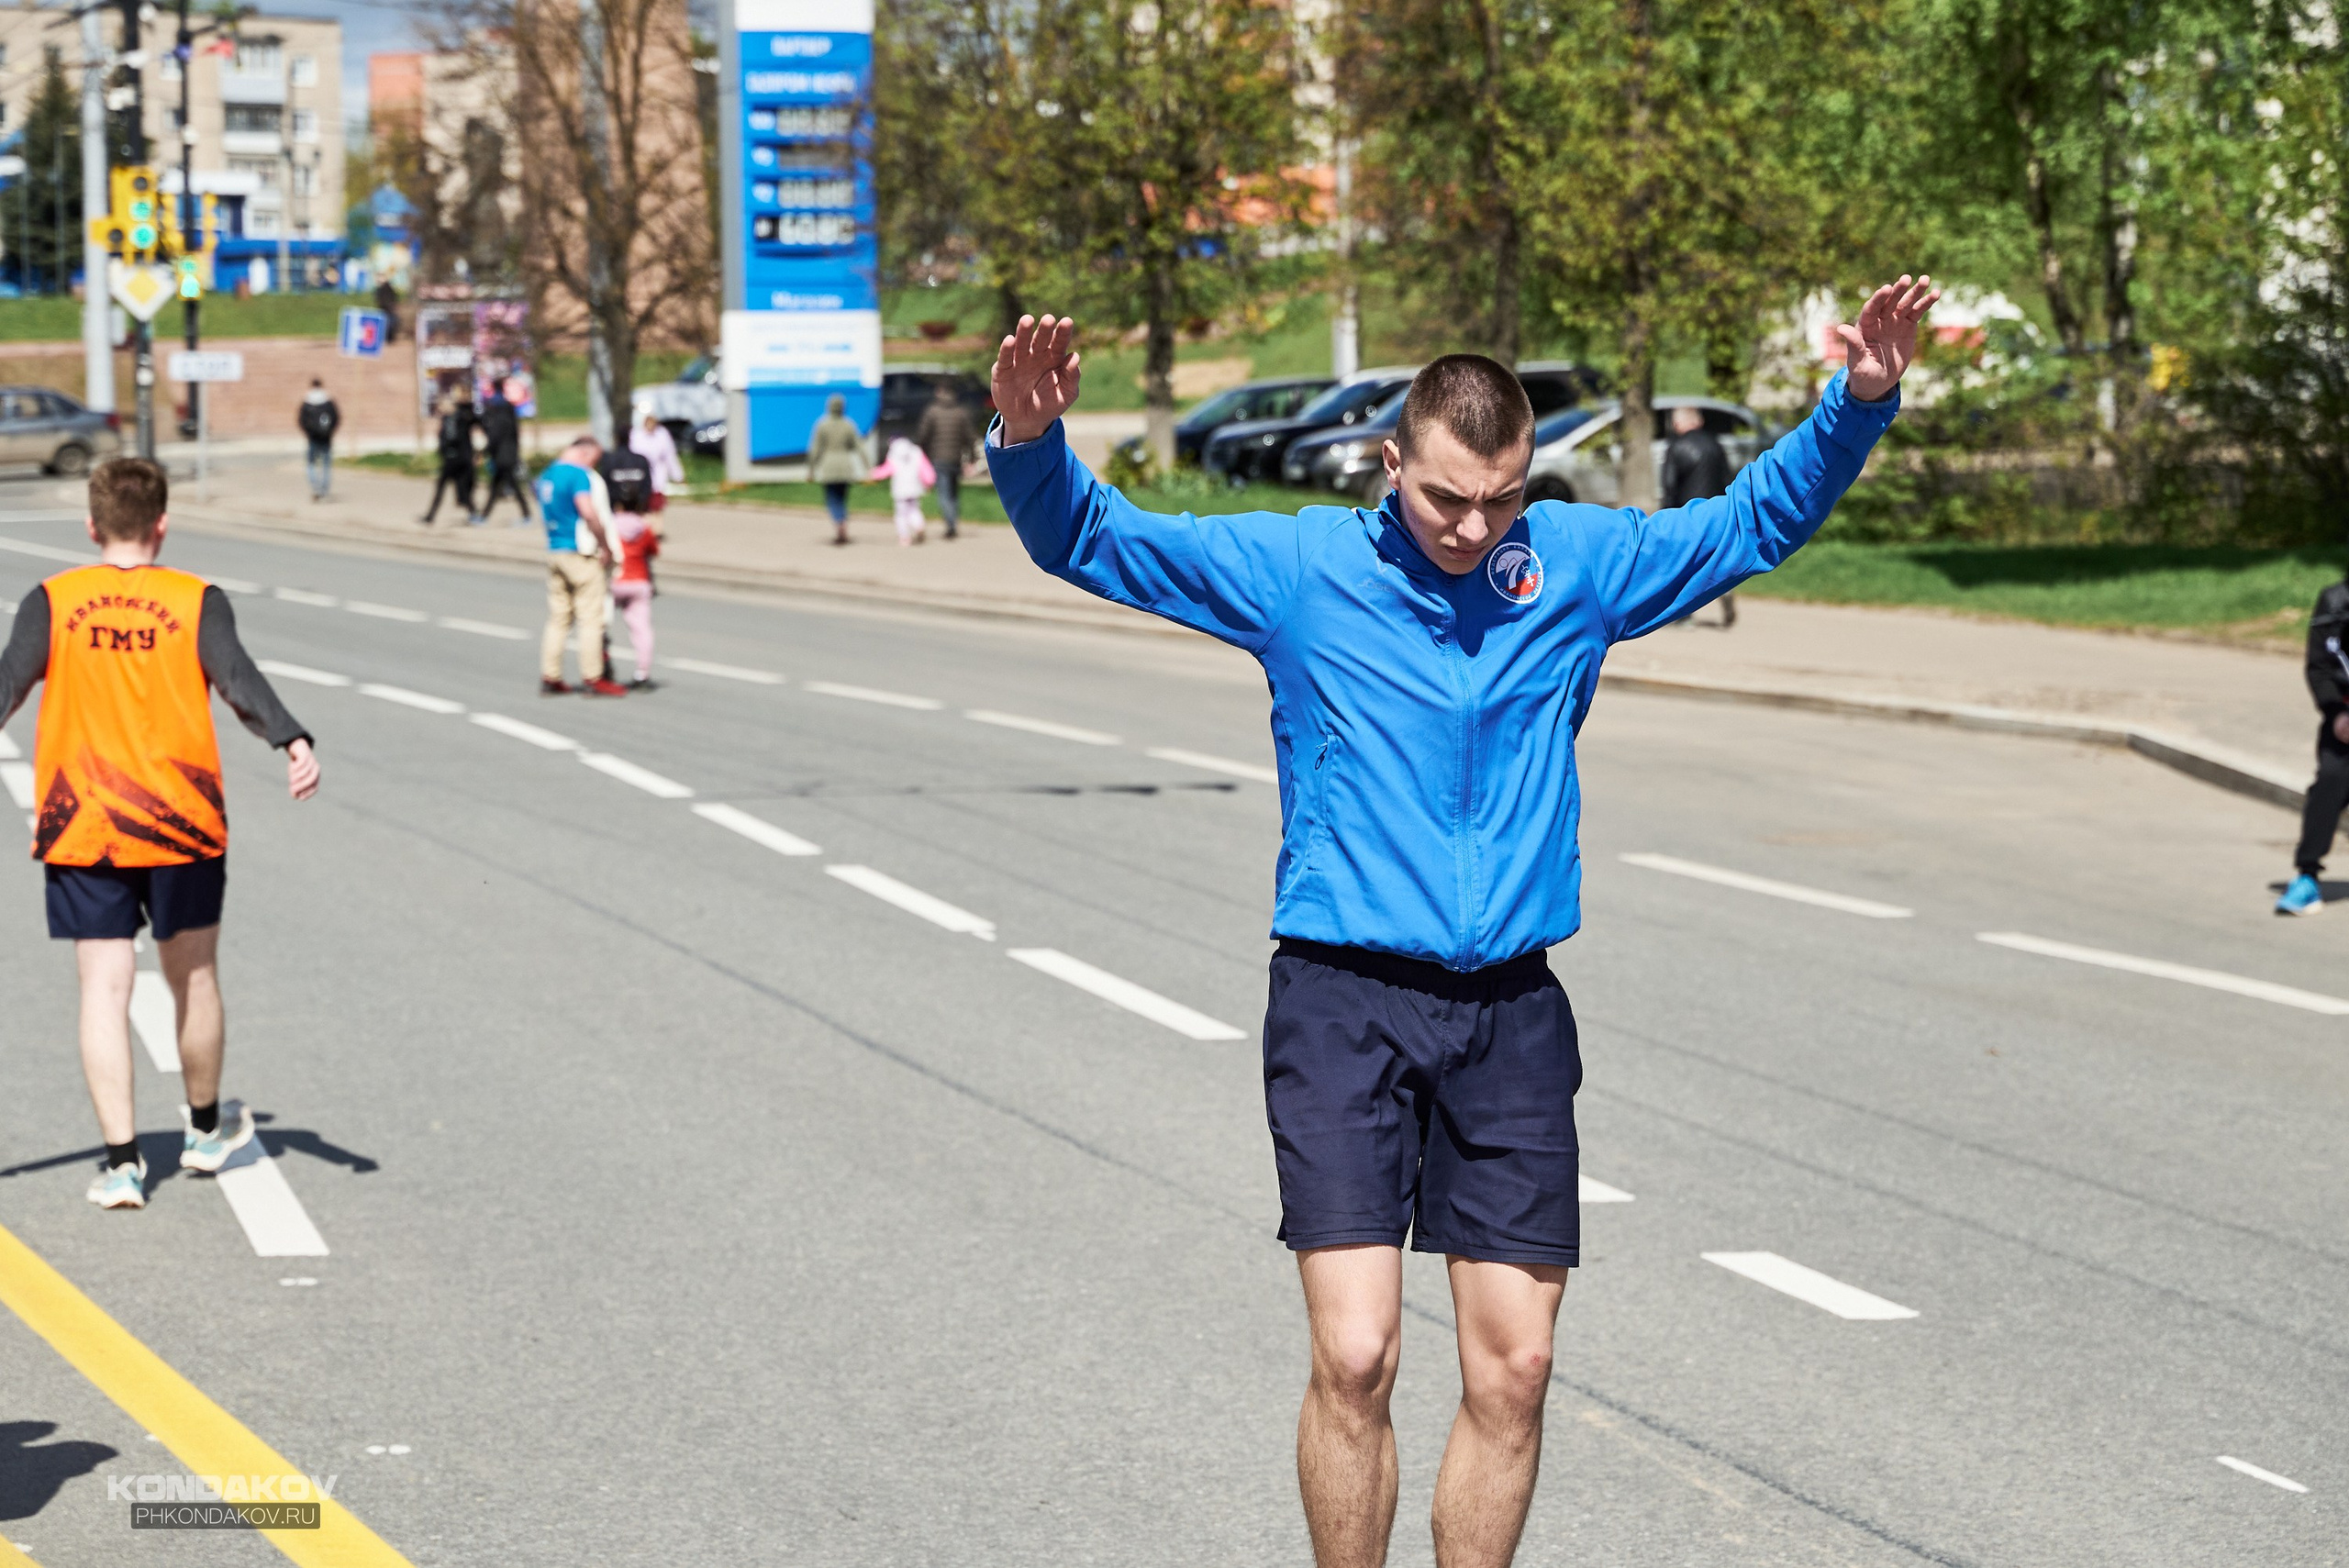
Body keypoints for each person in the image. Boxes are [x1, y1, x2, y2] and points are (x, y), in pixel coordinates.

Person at [985, 277, 1935, 1568]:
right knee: (1359, 1352)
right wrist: (1033, 447)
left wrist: (1858, 403)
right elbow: (1099, 540)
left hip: (1511, 1012)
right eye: (1445, 496)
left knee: (1518, 1368)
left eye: (1501, 497)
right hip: (1343, 1000)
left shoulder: (1577, 570)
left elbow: (1751, 523)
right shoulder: (1302, 572)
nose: (1472, 525)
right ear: (1393, 461)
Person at [0, 458, 320, 1211]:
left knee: (102, 989)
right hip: (182, 824)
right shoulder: (195, 599)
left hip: (83, 826)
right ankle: (206, 1133)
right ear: (163, 523)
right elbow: (238, 679)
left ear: (91, 525)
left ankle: (121, 1165)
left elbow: (7, 682)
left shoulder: (52, 599)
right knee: (194, 978)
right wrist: (293, 740)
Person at [2277, 573, 2349, 914]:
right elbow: (2319, 666)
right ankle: (2307, 878)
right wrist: (2336, 712)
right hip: (2345, 720)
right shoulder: (2335, 601)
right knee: (2331, 783)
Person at [535, 436, 627, 697]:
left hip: (555, 549)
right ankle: (593, 677)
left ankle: (550, 675)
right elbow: (588, 512)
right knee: (590, 618)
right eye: (594, 459)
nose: (593, 465)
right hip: (580, 552)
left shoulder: (548, 474)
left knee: (559, 618)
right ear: (585, 454)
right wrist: (605, 545)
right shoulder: (578, 476)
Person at [1659, 406, 1739, 627]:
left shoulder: (1675, 447)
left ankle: (1684, 616)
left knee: (1686, 566)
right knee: (1716, 560)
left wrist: (1667, 517)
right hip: (1716, 514)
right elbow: (1727, 480)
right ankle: (1725, 591)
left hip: (1688, 516)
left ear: (1679, 423)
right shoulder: (1716, 445)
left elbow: (1669, 485)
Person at [597, 438, 661, 688]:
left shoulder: (610, 526)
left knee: (599, 624)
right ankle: (642, 673)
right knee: (642, 630)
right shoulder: (644, 528)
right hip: (639, 582)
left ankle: (601, 665)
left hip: (614, 581)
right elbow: (653, 551)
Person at [914, 380, 981, 539]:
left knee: (944, 493)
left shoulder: (932, 412)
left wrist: (922, 453)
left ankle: (950, 524)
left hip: (938, 458)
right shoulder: (961, 413)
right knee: (954, 493)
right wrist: (972, 457)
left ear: (940, 393)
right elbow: (970, 437)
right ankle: (953, 522)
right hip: (955, 459)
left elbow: (923, 436)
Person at [807, 394, 866, 546]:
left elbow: (815, 449)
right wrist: (868, 466)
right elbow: (859, 446)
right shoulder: (849, 424)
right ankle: (842, 521)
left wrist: (811, 469)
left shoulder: (822, 425)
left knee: (832, 499)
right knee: (842, 497)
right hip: (845, 465)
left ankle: (839, 521)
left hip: (829, 465)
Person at [420, 391, 481, 527]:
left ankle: (474, 513)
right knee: (442, 488)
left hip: (459, 460)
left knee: (462, 490)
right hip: (450, 460)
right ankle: (431, 516)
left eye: (442, 405)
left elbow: (457, 436)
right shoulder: (447, 419)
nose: (440, 408)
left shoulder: (461, 418)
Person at [868, 434, 937, 546]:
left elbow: (887, 469)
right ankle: (919, 525)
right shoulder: (916, 451)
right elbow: (925, 468)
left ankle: (904, 537)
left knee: (901, 514)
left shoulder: (893, 454)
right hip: (914, 486)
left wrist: (874, 474)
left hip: (900, 488)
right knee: (914, 509)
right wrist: (929, 481)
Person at [479, 389, 533, 526]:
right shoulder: (511, 420)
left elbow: (494, 439)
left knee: (511, 487)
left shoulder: (499, 420)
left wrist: (482, 453)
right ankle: (484, 515)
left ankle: (527, 515)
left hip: (502, 459)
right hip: (509, 457)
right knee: (496, 487)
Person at [631, 409, 684, 515]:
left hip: (657, 480)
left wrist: (678, 476)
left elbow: (670, 456)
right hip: (640, 479)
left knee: (656, 509)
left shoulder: (662, 434)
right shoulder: (636, 435)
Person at [296, 379, 340, 501]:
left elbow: (301, 420)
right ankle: (324, 490)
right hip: (326, 438)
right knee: (326, 465)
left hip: (313, 438)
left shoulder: (307, 402)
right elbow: (336, 418)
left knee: (311, 464)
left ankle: (315, 487)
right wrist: (330, 432)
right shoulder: (328, 401)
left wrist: (309, 432)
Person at [374, 276, 401, 344]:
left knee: (389, 324)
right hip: (385, 309)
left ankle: (388, 338)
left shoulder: (385, 289)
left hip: (387, 310)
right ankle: (387, 338)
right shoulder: (382, 289)